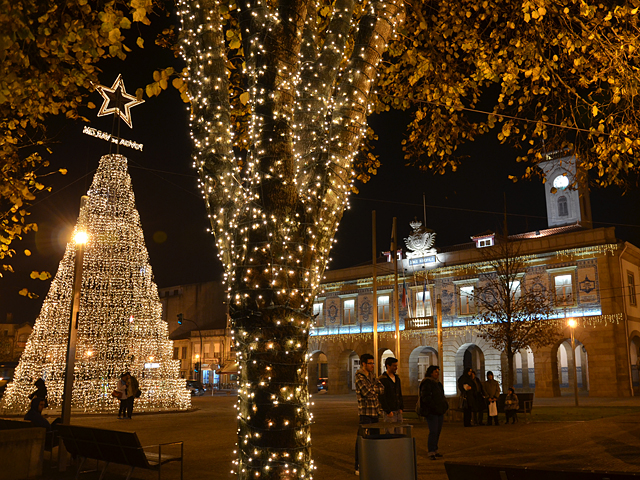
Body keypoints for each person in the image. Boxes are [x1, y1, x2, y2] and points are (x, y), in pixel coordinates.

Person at [354, 353, 384, 476]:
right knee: (362, 439)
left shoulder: (372, 375)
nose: (372, 365)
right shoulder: (359, 376)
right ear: (363, 364)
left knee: (375, 439)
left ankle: (373, 463)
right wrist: (374, 388)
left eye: (373, 363)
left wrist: (373, 388)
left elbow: (382, 388)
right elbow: (366, 392)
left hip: (375, 412)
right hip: (365, 412)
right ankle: (358, 464)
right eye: (370, 363)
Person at [419, 365, 449, 460]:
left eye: (438, 372)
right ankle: (431, 451)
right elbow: (426, 397)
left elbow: (441, 396)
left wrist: (444, 405)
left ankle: (435, 449)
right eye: (435, 372)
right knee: (433, 431)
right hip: (432, 411)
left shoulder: (438, 383)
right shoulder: (427, 382)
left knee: (438, 431)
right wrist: (434, 406)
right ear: (431, 373)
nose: (437, 374)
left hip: (439, 411)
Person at [378, 357, 404, 424]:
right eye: (394, 366)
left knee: (399, 432)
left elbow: (399, 393)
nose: (396, 368)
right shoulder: (383, 379)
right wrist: (387, 411)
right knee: (390, 431)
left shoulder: (397, 378)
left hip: (398, 409)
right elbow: (382, 396)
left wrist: (401, 407)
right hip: (389, 411)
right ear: (388, 366)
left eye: (396, 366)